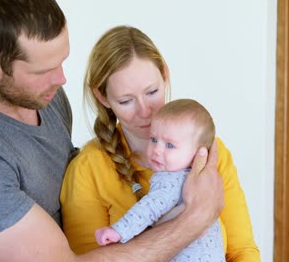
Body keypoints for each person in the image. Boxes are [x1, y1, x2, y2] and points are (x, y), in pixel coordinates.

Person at [0, 0, 224, 261]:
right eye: (43, 71)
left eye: (62, 61)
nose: (62, 79)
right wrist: (197, 217)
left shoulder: (43, 97)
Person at [60, 25, 260, 261]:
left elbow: (242, 251)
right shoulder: (88, 170)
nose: (145, 111)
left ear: (165, 75)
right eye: (126, 101)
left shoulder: (210, 154)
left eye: (152, 92)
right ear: (102, 97)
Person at [95, 99, 225, 261]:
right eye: (154, 140)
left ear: (198, 153)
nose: (157, 150)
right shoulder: (202, 181)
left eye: (170, 145)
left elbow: (149, 208)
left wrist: (118, 231)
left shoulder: (172, 180)